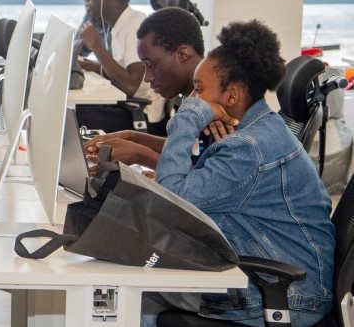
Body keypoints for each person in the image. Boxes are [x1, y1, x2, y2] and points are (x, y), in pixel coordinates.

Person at [142, 20, 335, 327]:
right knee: (137, 288)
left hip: (288, 295)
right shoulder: (257, 131)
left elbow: (172, 204)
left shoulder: (249, 148)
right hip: (280, 277)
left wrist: (186, 120)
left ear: (230, 97)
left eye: (198, 90)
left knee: (134, 290)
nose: (192, 99)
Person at [85, 7, 208, 170]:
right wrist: (132, 137)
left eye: (151, 65)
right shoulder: (192, 96)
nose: (147, 77)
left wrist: (141, 155)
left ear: (183, 54)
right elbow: (190, 151)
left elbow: (206, 180)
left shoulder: (213, 102)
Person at [76, 0, 165, 134]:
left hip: (140, 114)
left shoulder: (136, 26)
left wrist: (96, 45)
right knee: (74, 108)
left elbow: (130, 85)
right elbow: (120, 71)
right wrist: (92, 66)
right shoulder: (119, 25)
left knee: (74, 115)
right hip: (129, 105)